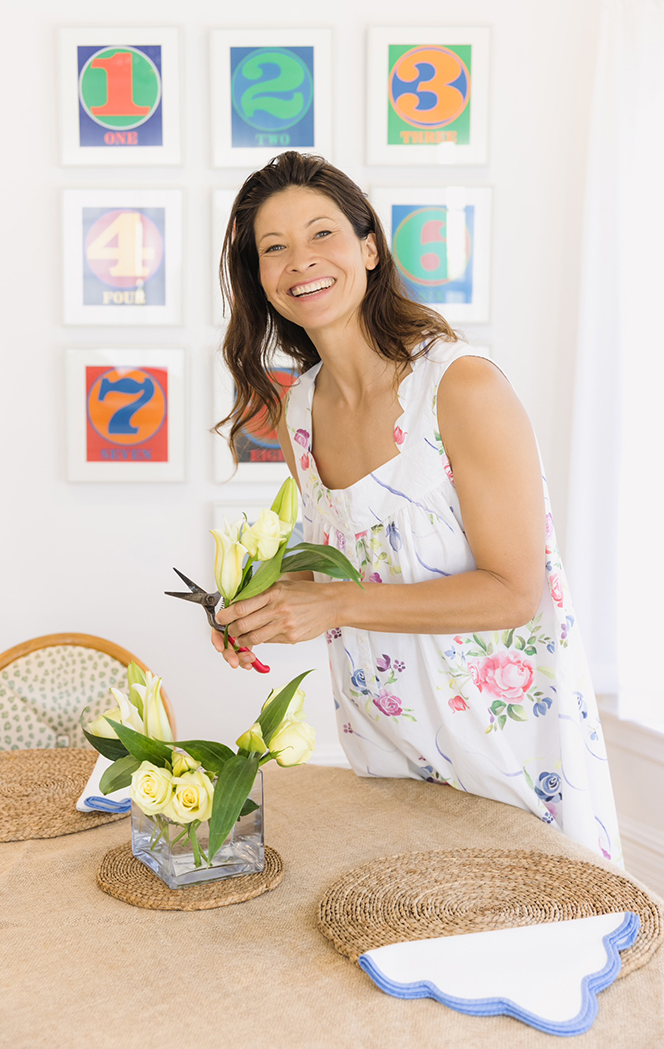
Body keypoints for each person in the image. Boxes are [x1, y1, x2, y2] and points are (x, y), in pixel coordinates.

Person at [211, 151, 622, 866]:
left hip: (507, 750)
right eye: (273, 248)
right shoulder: (298, 411)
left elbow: (513, 591)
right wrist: (261, 608)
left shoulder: (460, 387)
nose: (300, 260)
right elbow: (353, 565)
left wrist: (333, 605)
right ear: (260, 279)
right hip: (386, 748)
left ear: (369, 248)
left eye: (321, 233)